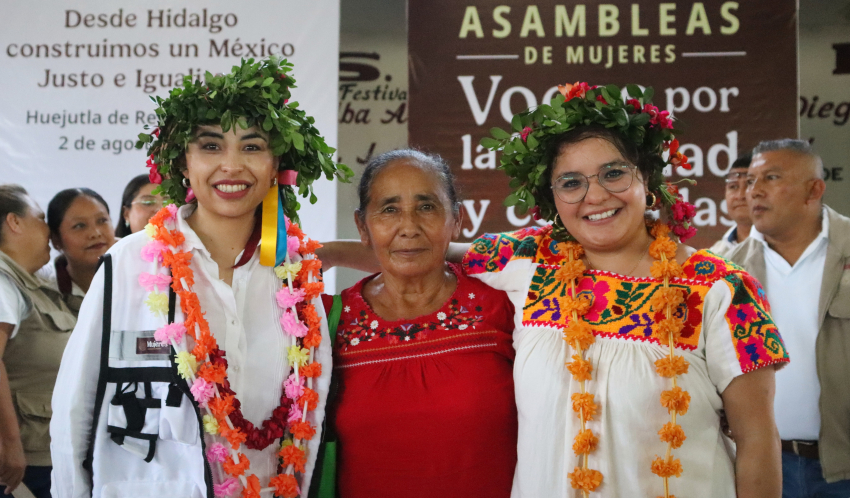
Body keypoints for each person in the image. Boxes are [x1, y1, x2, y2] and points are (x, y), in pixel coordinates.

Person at [322, 83, 789, 497]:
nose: (596, 196)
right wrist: (323, 253)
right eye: (571, 183)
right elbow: (420, 249)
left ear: (647, 180)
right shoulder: (530, 263)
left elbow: (756, 440)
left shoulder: (722, 289)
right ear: (552, 198)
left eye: (614, 173)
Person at [50, 57, 351, 498]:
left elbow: (311, 401)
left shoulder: (297, 275)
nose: (232, 166)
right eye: (211, 147)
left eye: (252, 147)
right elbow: (77, 407)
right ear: (183, 164)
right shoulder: (129, 264)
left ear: (275, 166)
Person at [320, 149, 517, 497]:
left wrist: (335, 252)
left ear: (456, 220)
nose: (408, 227)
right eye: (389, 209)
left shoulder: (503, 307)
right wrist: (326, 252)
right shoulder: (326, 323)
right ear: (362, 226)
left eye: (427, 207)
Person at [728, 139, 850, 497]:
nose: (754, 191)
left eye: (771, 177)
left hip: (842, 470)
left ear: (814, 190)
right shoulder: (730, 270)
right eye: (750, 180)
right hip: (763, 466)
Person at [0, 184, 77, 498]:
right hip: (22, 464)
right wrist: (9, 444)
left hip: (41, 452)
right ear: (14, 222)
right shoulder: (3, 282)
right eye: (41, 217)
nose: (48, 228)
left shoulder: (28, 283)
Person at [39, 188, 116, 314]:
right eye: (79, 226)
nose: (95, 233)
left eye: (102, 220)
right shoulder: (46, 292)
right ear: (56, 240)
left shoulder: (141, 276)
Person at [710, 154, 753, 257]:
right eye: (733, 187)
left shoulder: (783, 247)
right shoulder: (714, 255)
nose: (740, 195)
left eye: (749, 185)